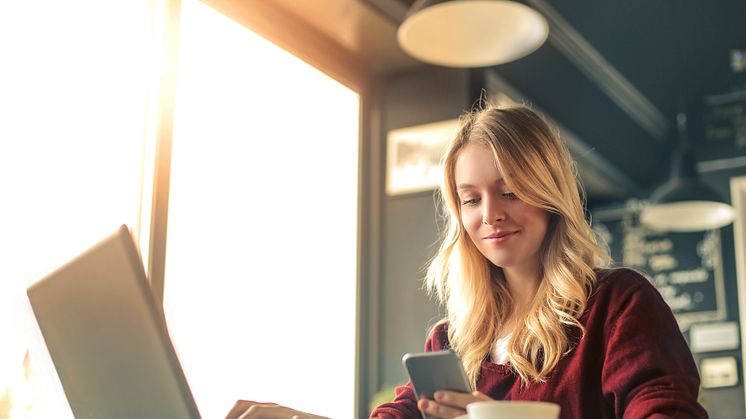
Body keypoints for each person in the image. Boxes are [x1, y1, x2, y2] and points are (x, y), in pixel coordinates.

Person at [227, 104, 707, 419]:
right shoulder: (451, 338)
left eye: (510, 190)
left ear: (549, 194)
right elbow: (404, 414)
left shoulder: (618, 305)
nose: (491, 215)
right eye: (470, 199)